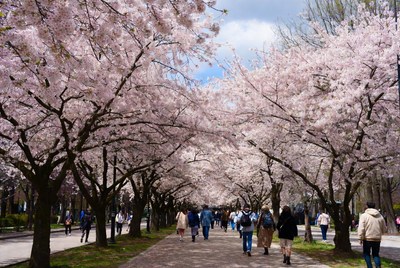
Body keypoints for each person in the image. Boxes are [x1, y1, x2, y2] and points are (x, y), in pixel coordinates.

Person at [358, 202, 387, 268]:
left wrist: (360, 238)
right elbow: (384, 228)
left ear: (367, 206)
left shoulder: (364, 215)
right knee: (376, 254)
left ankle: (369, 266)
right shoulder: (380, 216)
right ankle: (378, 266)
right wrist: (381, 232)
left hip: (367, 238)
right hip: (377, 238)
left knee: (366, 254)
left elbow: (361, 228)